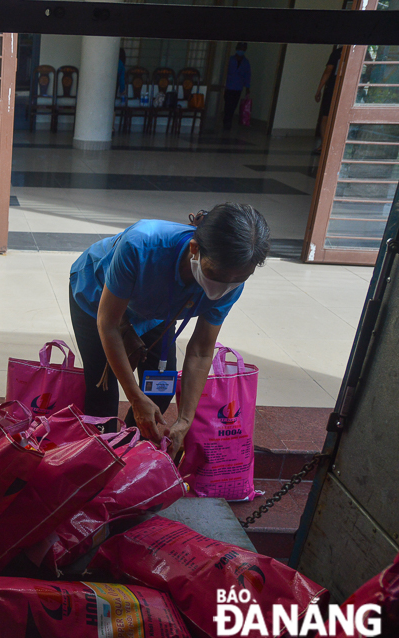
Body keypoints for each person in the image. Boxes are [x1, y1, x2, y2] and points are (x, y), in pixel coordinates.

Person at [68, 204, 270, 457]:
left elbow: (200, 351)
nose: (223, 288)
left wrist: (185, 420)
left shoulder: (232, 280)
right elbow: (108, 323)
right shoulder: (141, 245)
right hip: (97, 296)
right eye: (214, 274)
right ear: (194, 249)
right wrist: (133, 395)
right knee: (103, 394)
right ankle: (98, 462)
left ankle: (128, 456)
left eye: (239, 279)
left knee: (158, 393)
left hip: (158, 310)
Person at [314, 45, 343, 154]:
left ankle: (324, 145)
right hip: (348, 88)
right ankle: (336, 146)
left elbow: (328, 70)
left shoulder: (337, 53)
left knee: (325, 116)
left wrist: (319, 89)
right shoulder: (361, 52)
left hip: (332, 88)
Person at [222, 43, 251, 130]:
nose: (241, 51)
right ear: (236, 49)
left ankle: (228, 121)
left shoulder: (246, 62)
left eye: (243, 49)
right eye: (240, 49)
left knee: (234, 105)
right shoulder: (230, 59)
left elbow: (247, 75)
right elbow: (225, 72)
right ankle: (226, 121)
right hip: (229, 86)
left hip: (238, 88)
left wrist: (247, 88)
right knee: (228, 104)